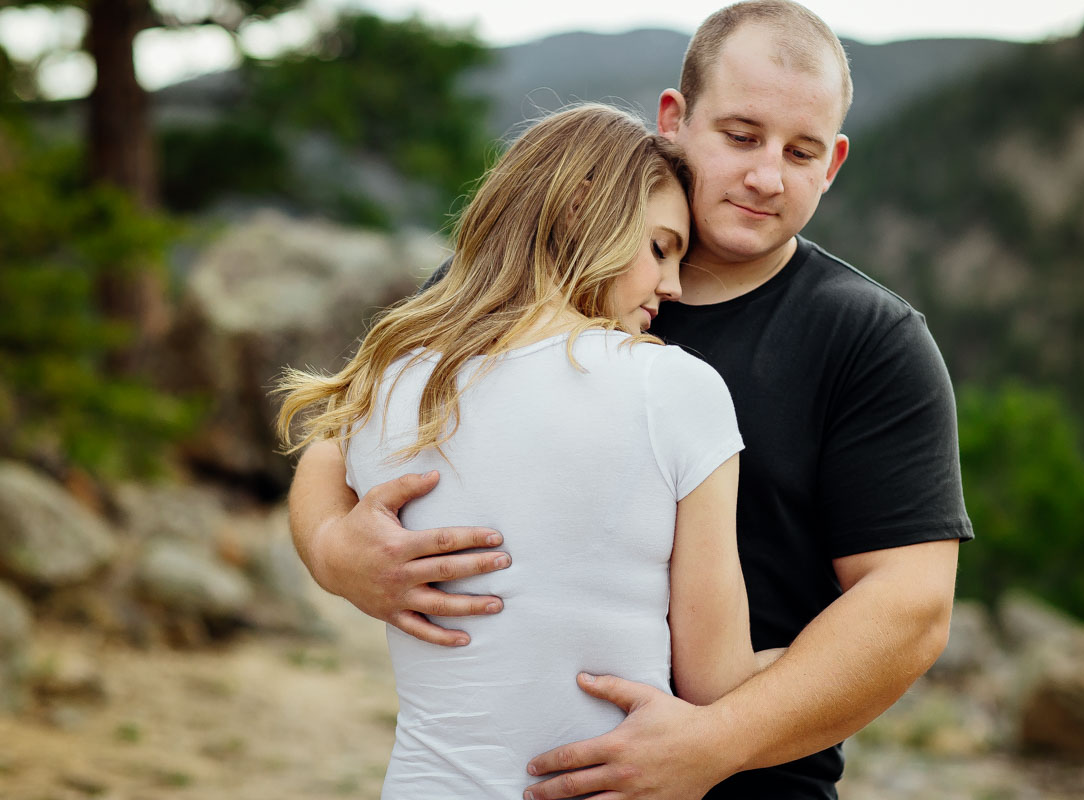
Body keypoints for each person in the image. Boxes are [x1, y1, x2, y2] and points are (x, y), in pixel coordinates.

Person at [288, 2, 973, 798]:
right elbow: (336, 445)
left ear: (834, 164)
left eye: (801, 151)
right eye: (742, 135)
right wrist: (336, 554)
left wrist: (714, 742)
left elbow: (910, 606)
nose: (765, 175)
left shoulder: (870, 341)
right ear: (675, 119)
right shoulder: (511, 285)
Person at [275, 104, 761, 798]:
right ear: (581, 209)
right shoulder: (675, 389)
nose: (673, 287)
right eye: (660, 248)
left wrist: (326, 544)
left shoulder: (394, 378)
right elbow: (715, 681)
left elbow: (324, 454)